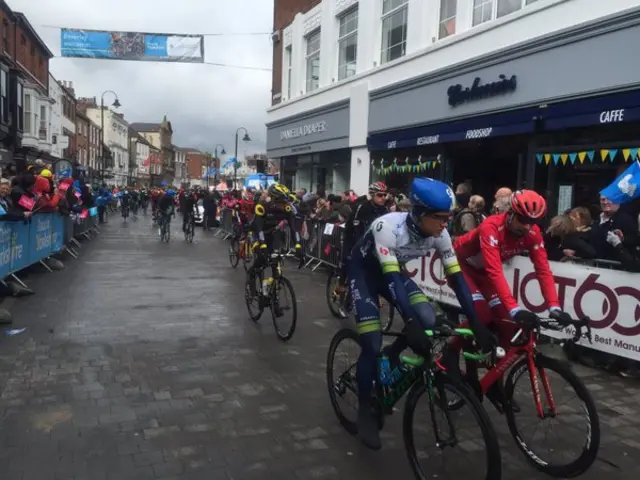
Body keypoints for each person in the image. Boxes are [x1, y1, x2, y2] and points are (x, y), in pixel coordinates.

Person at [347, 177, 495, 451]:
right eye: (439, 218)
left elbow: (458, 280)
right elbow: (390, 280)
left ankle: (393, 355)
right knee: (372, 342)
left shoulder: (441, 235)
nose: (445, 224)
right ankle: (364, 410)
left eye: (448, 217)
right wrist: (410, 322)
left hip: (394, 273)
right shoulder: (388, 227)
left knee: (428, 318)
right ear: (419, 213)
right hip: (366, 275)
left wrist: (474, 321)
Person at [450, 190, 573, 410]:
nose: (527, 226)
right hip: (462, 267)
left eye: (533, 222)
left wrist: (554, 306)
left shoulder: (533, 233)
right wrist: (515, 307)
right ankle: (450, 352)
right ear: (511, 214)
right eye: (523, 220)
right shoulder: (492, 226)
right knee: (482, 313)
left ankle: (494, 380)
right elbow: (495, 270)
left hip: (484, 274)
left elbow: (543, 270)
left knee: (509, 324)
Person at [249, 183, 303, 303]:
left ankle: (273, 294)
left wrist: (299, 246)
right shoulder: (262, 206)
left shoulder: (286, 208)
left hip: (271, 232)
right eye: (280, 202)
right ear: (272, 199)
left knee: (275, 260)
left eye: (285, 202)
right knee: (262, 258)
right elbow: (259, 229)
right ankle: (251, 280)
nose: (283, 205)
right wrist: (262, 245)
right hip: (257, 233)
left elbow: (294, 228)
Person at [338, 182, 390, 294]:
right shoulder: (362, 207)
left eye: (385, 195)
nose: (383, 198)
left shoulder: (385, 210)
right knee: (349, 258)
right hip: (352, 236)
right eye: (380, 195)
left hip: (372, 241)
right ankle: (342, 284)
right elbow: (356, 230)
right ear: (372, 195)